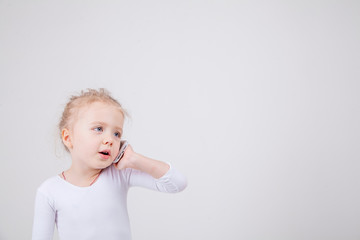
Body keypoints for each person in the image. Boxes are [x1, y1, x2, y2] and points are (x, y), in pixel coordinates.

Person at [32, 88, 187, 240]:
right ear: (68, 138)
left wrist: (134, 159)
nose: (110, 140)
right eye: (98, 128)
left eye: (116, 134)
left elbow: (177, 183)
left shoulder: (120, 173)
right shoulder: (49, 191)